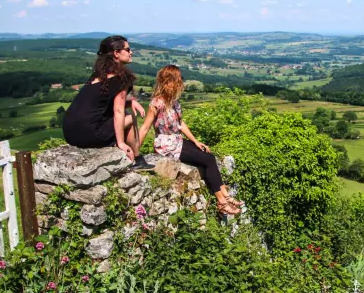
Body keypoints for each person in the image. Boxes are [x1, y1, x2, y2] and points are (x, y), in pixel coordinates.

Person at [138, 65, 243, 216]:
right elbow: (145, 127)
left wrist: (195, 141)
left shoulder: (174, 102)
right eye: (177, 80)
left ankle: (225, 195)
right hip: (167, 145)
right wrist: (135, 153)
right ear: (168, 82)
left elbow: (180, 124)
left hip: (177, 141)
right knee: (207, 160)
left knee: (208, 155)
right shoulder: (157, 104)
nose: (180, 83)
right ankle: (222, 201)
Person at [63, 35, 154, 171]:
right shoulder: (121, 78)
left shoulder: (98, 74)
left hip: (70, 134)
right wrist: (121, 143)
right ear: (117, 53)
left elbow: (103, 100)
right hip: (91, 133)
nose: (131, 52)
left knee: (126, 110)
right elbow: (118, 111)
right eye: (128, 49)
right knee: (129, 117)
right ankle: (138, 160)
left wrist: (130, 102)